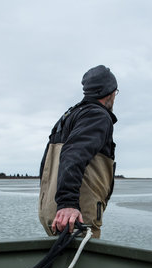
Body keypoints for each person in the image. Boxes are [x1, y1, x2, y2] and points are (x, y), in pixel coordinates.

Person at [39, 65, 118, 238]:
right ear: (110, 93)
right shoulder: (97, 116)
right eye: (115, 93)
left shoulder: (69, 116)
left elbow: (46, 166)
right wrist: (68, 203)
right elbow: (73, 154)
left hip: (53, 213)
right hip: (75, 216)